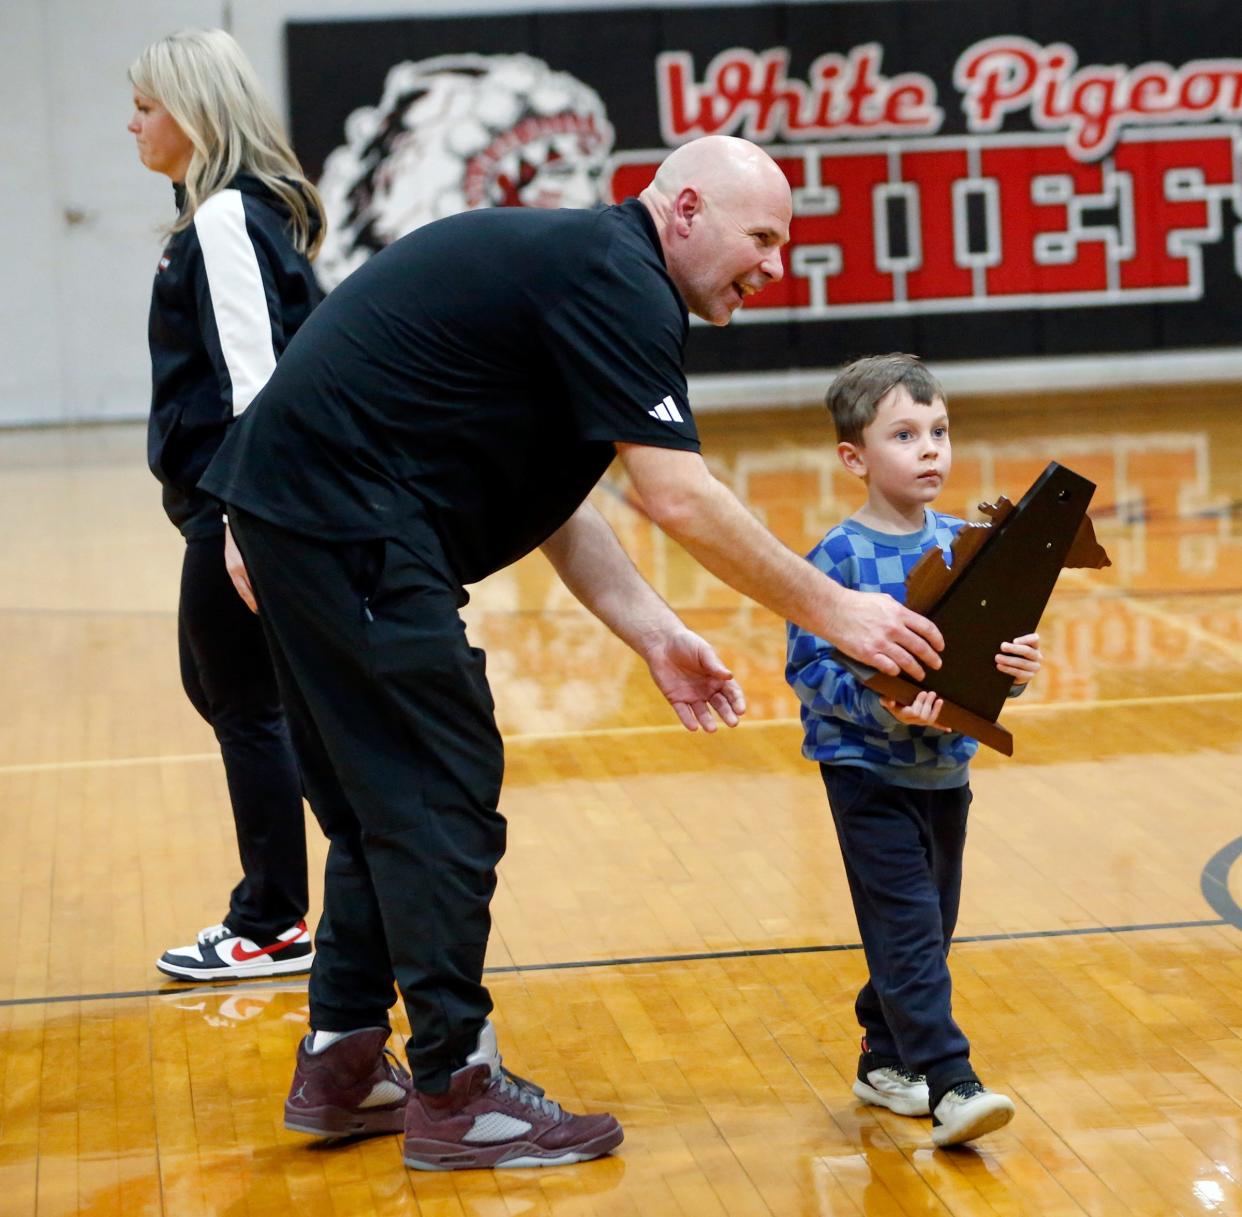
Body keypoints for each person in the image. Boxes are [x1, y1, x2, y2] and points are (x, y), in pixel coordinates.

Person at [198, 135, 946, 1171]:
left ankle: (343, 1063)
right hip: (347, 525)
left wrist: (654, 630)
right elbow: (678, 494)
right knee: (439, 794)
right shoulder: (620, 281)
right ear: (683, 211)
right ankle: (458, 1087)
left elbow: (564, 496)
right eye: (761, 236)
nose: (776, 263)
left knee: (384, 804)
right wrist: (841, 612)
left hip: (304, 517)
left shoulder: (586, 274)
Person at [785, 353, 1043, 1148]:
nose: (930, 447)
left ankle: (884, 1054)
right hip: (867, 776)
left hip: (946, 771)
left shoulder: (969, 543)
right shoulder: (838, 558)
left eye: (939, 430)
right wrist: (889, 705)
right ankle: (950, 1081)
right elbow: (809, 668)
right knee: (906, 927)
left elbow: (983, 655)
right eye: (904, 434)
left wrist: (1015, 672)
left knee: (929, 927)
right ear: (854, 459)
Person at [128, 28, 324, 981]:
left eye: (146, 105)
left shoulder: (224, 219)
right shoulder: (229, 215)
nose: (132, 123)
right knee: (231, 692)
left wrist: (246, 521)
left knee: (244, 700)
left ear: (195, 114)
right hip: (233, 499)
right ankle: (308, 900)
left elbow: (258, 381)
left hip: (241, 499)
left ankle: (272, 920)